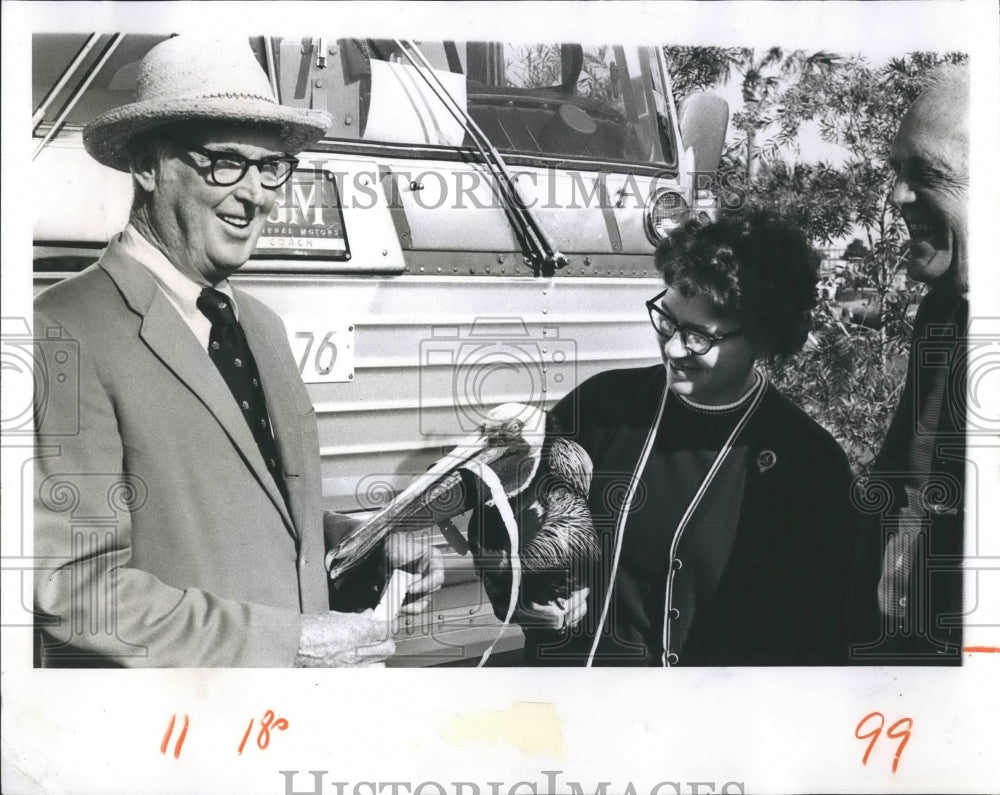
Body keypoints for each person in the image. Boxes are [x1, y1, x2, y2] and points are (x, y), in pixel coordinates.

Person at [33, 36, 441, 667]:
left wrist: (358, 546)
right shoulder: (62, 332)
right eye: (226, 163)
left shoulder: (261, 327)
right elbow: (75, 591)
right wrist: (288, 644)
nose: (257, 195)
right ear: (147, 165)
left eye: (271, 167)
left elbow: (251, 518)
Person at [519, 211, 858, 666]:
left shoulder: (807, 464)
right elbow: (518, 520)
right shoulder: (601, 407)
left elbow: (816, 637)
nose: (674, 348)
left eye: (699, 336)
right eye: (668, 321)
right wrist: (530, 596)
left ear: (763, 338)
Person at [850, 65, 969, 663]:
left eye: (929, 173)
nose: (898, 196)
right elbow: (901, 483)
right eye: (898, 171)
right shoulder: (944, 312)